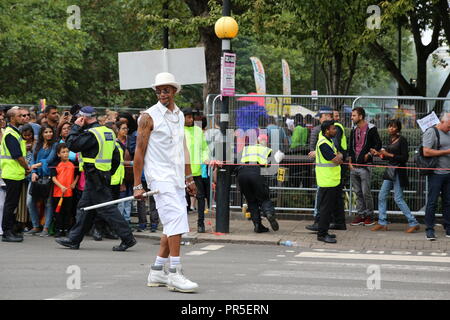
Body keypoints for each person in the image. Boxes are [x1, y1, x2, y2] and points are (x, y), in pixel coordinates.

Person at [133, 72, 199, 293]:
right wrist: (137, 184)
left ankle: (157, 270)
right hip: (159, 178)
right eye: (159, 89)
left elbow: (183, 148)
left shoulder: (179, 115)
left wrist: (189, 177)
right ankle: (175, 272)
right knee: (178, 220)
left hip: (176, 177)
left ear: (174, 91)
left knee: (173, 222)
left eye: (166, 89)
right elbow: (139, 152)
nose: (162, 93)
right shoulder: (148, 117)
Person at [55, 106, 136, 251]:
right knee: (85, 207)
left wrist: (75, 127)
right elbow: (116, 156)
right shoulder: (107, 131)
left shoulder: (91, 133)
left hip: (95, 176)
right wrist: (108, 172)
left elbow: (71, 144)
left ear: (84, 118)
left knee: (107, 208)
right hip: (101, 175)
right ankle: (74, 239)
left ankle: (127, 238)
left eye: (79, 117)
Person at [370, 119, 420, 233]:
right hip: (390, 171)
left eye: (393, 127)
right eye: (389, 126)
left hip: (398, 172)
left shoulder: (402, 140)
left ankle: (413, 222)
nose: (390, 129)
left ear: (398, 128)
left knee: (398, 198)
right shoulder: (390, 139)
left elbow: (404, 158)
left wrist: (389, 154)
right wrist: (379, 154)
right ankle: (382, 222)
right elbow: (387, 156)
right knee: (382, 195)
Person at [236, 133, 279, 233]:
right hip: (256, 173)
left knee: (251, 201)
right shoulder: (267, 150)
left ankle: (257, 225)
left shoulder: (246, 148)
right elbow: (270, 166)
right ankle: (269, 213)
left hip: (242, 174)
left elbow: (236, 161)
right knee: (264, 198)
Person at [348, 107, 382, 226]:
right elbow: (350, 146)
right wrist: (350, 162)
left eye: (354, 115)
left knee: (366, 192)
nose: (352, 117)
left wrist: (369, 154)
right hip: (354, 166)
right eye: (352, 115)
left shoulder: (371, 128)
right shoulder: (353, 129)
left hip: (365, 166)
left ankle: (370, 216)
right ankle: (360, 215)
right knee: (357, 192)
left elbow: (378, 144)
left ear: (361, 116)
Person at [1, 107, 30, 242]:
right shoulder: (11, 134)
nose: (23, 118)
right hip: (12, 173)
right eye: (20, 116)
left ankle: (10, 229)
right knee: (10, 204)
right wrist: (27, 167)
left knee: (12, 204)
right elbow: (17, 156)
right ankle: (7, 232)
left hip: (15, 173)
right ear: (12, 118)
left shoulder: (15, 133)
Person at [421, 112, 450, 240]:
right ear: (442, 122)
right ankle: (429, 229)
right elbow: (426, 151)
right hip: (436, 173)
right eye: (449, 126)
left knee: (448, 202)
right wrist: (446, 152)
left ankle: (448, 227)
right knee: (432, 202)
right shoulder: (431, 132)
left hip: (448, 173)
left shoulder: (448, 132)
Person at [315, 120, 344, 243]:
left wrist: (339, 157)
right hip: (327, 181)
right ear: (327, 130)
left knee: (327, 208)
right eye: (333, 128)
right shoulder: (323, 144)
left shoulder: (329, 141)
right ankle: (322, 234)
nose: (335, 130)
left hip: (331, 180)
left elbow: (339, 155)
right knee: (325, 209)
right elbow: (336, 159)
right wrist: (339, 158)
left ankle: (324, 231)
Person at [27, 124, 58, 237]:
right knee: (30, 202)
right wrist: (33, 171)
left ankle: (46, 227)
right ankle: (35, 226)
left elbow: (49, 160)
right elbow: (31, 159)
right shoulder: (37, 144)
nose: (48, 134)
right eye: (46, 132)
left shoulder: (55, 145)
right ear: (42, 134)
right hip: (35, 176)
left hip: (48, 176)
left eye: (50, 132)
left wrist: (35, 165)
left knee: (48, 203)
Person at [305, 108, 333, 231]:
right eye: (326, 116)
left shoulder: (332, 131)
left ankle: (322, 221)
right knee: (320, 195)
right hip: (322, 169)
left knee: (325, 198)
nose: (328, 118)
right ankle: (319, 220)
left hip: (329, 170)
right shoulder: (317, 130)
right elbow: (312, 150)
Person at [184, 107, 210, 233]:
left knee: (200, 197)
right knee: (182, 199)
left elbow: (204, 148)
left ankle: (201, 223)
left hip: (197, 171)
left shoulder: (198, 131)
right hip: (181, 172)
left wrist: (205, 159)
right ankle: (182, 225)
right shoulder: (178, 131)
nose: (191, 119)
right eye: (188, 117)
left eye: (191, 117)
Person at [51, 143, 79, 237]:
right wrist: (61, 186)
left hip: (69, 193)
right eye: (63, 152)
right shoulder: (55, 164)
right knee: (58, 212)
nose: (66, 154)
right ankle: (59, 229)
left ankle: (66, 229)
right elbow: (53, 178)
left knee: (68, 212)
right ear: (58, 154)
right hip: (58, 193)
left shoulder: (73, 164)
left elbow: (77, 174)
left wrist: (74, 183)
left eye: (67, 151)